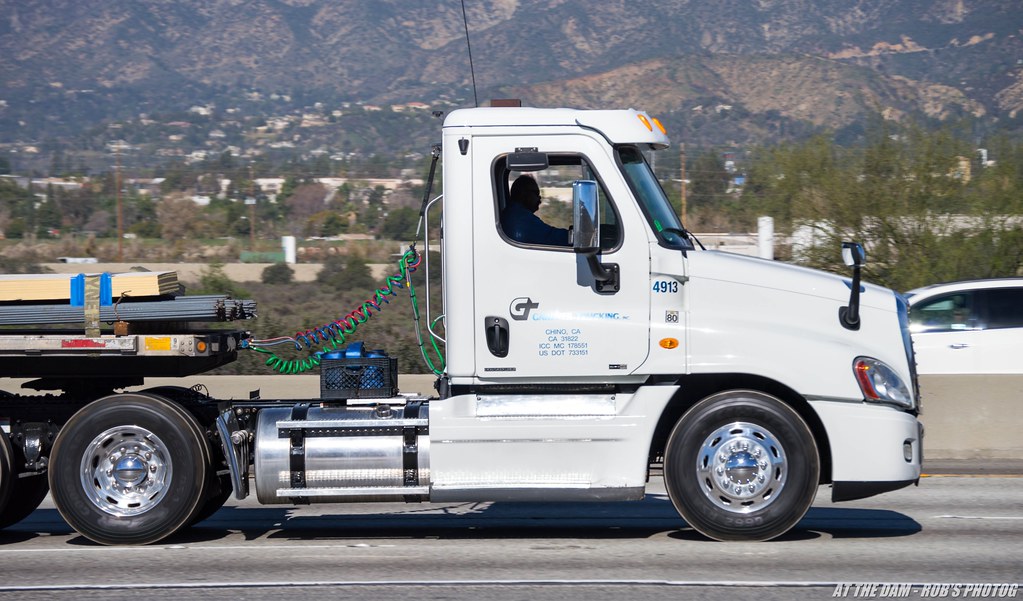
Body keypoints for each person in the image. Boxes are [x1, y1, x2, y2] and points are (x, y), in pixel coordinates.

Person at [501, 175, 570, 246]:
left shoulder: (510, 213)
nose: (539, 198)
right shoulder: (522, 218)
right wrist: (574, 236)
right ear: (523, 194)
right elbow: (552, 237)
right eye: (536, 193)